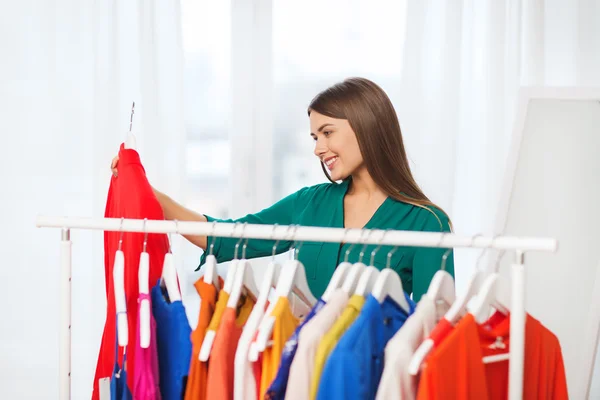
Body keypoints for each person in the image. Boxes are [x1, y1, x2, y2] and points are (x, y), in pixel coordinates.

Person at [111, 77, 454, 302]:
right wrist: (148, 191)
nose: (319, 148)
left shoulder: (426, 223)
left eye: (327, 132)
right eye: (314, 137)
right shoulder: (310, 204)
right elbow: (227, 237)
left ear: (368, 126)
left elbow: (433, 331)